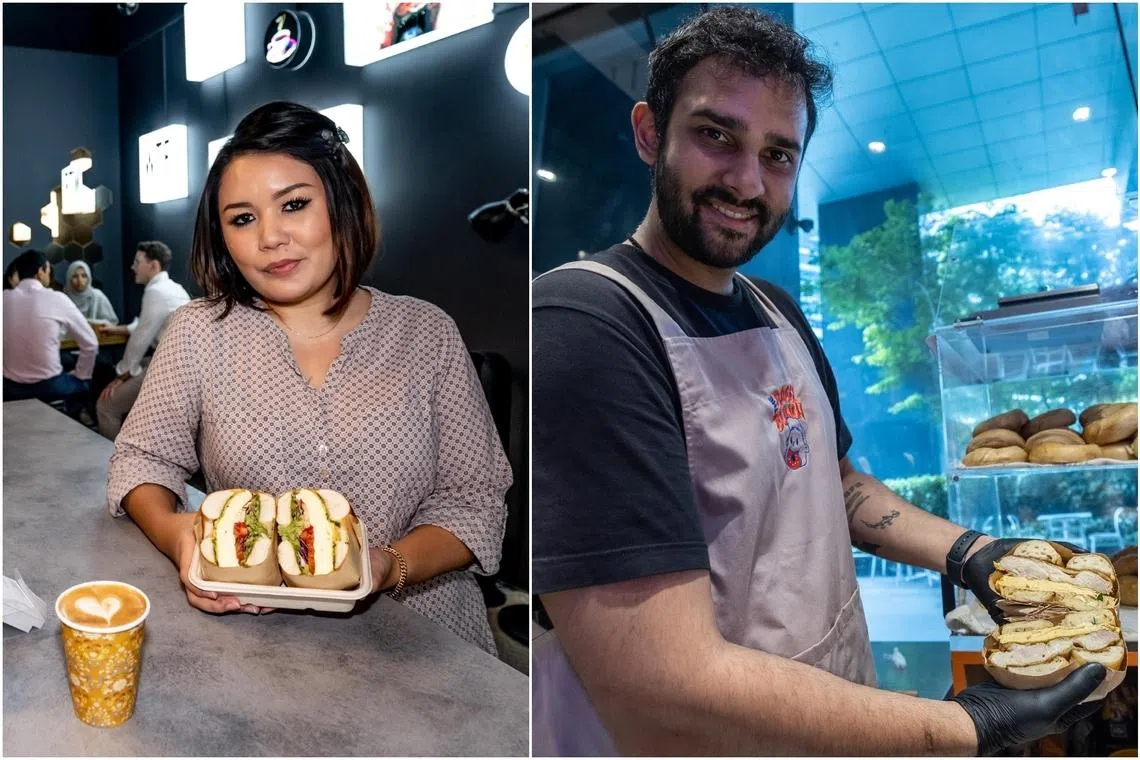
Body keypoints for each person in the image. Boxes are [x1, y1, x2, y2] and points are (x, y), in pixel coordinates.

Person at [531, 7, 1107, 756]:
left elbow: (832, 484)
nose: (746, 180)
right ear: (650, 133)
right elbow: (659, 679)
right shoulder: (586, 323)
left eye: (778, 154)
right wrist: (967, 726)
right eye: (716, 136)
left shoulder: (777, 313)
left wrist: (972, 553)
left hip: (824, 713)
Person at [106, 101, 511, 654]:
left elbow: (477, 500)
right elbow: (143, 459)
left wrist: (385, 566)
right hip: (255, 638)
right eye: (243, 218)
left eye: (293, 204)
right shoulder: (198, 331)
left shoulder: (426, 333)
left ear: (342, 204)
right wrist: (177, 535)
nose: (270, 237)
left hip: (426, 642)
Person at [95, 241, 190, 439]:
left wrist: (122, 375)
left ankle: (113, 462)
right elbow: (144, 325)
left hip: (171, 371)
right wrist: (116, 330)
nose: (133, 267)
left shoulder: (156, 292)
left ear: (153, 266)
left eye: (137, 262)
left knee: (105, 406)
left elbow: (140, 339)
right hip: (181, 366)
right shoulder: (173, 288)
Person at [2, 249, 98, 414]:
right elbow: (90, 343)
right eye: (48, 270)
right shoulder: (57, 298)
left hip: (9, 388)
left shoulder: (3, 298)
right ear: (40, 272)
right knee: (84, 385)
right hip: (50, 386)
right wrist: (82, 374)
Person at [64, 260, 119, 325]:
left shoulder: (97, 296)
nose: (80, 280)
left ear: (89, 278)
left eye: (84, 276)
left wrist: (87, 323)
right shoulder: (63, 298)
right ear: (69, 278)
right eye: (75, 276)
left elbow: (112, 322)